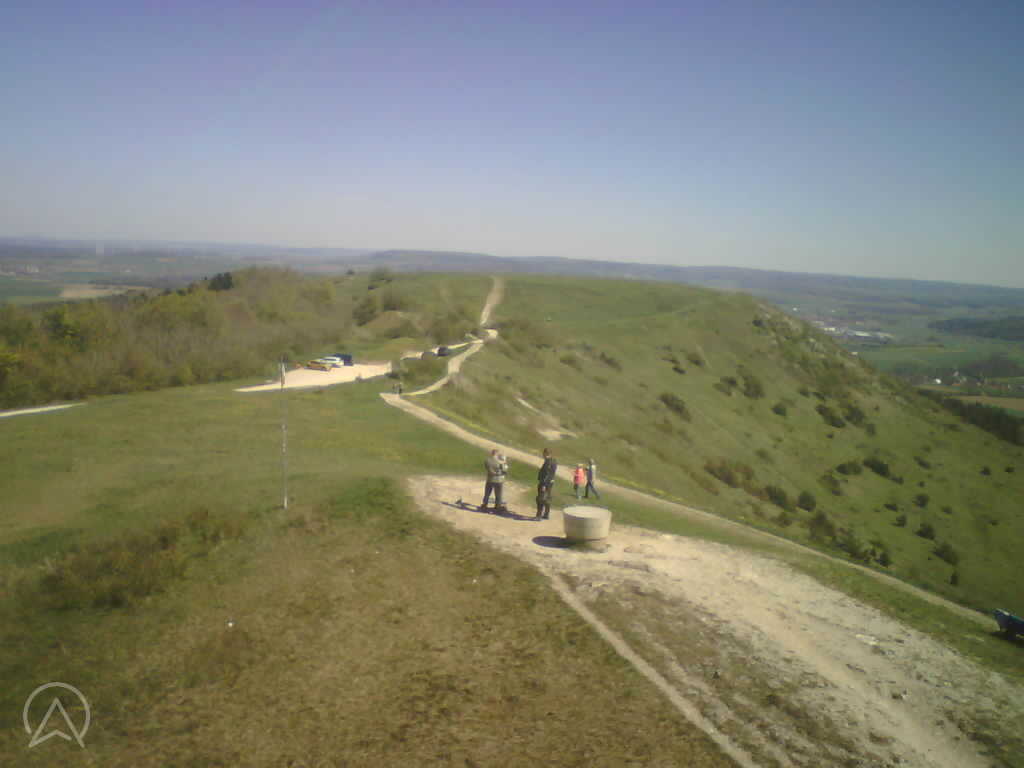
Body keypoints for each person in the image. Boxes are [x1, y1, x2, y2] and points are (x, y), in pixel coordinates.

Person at [536, 448, 557, 519]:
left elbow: (547, 474)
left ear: (546, 454)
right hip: (550, 483)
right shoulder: (554, 461)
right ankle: (546, 514)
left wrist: (544, 485)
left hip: (544, 483)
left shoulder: (548, 462)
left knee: (540, 499)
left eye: (543, 453)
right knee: (547, 498)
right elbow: (552, 474)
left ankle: (539, 515)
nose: (543, 455)